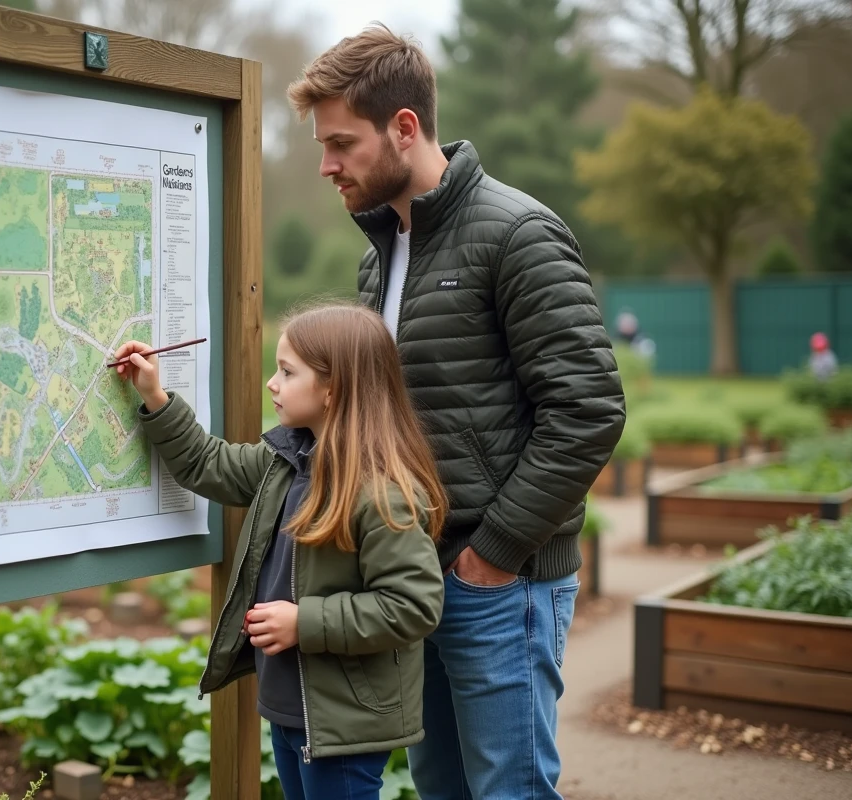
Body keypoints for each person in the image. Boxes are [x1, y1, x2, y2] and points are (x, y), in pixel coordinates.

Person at [286, 25, 626, 800]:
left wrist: (492, 558)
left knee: (509, 790)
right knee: (440, 788)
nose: (327, 164)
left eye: (342, 143)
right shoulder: (380, 256)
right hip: (412, 580)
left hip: (497, 583)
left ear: (405, 127)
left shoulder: (518, 233)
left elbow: (589, 410)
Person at [114, 304, 446, 800]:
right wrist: (155, 397)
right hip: (292, 706)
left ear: (333, 390)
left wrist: (303, 622)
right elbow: (212, 464)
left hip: (344, 721)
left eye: (287, 372)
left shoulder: (382, 494)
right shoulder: (287, 462)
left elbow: (413, 605)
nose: (273, 383)